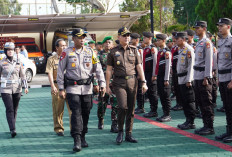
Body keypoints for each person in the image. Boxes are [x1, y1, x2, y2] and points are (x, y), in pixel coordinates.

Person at [57, 28, 106, 152]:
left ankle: (83, 135)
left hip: (87, 89)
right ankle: (77, 139)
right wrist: (61, 88)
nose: (82, 39)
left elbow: (98, 68)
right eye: (79, 37)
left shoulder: (90, 52)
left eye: (83, 37)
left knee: (86, 112)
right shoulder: (67, 52)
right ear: (73, 39)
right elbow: (60, 71)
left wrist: (102, 83)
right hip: (72, 88)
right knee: (76, 113)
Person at [106, 27, 148, 144]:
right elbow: (109, 70)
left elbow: (139, 67)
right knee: (122, 107)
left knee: (131, 108)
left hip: (132, 81)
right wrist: (107, 86)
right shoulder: (113, 51)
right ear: (119, 37)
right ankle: (120, 131)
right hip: (118, 82)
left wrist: (144, 82)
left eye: (128, 35)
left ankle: (128, 133)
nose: (127, 37)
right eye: (124, 35)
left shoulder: (134, 50)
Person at [0, 42, 29, 138]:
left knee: (15, 109)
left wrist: (26, 87)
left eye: (12, 50)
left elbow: (23, 75)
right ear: (5, 51)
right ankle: (12, 129)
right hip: (5, 89)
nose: (10, 52)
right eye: (8, 50)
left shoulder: (18, 62)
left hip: (17, 88)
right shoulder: (1, 62)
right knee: (10, 109)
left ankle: (12, 125)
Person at [46, 39, 72, 136]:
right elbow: (50, 73)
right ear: (57, 47)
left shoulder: (70, 57)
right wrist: (52, 86)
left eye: (65, 45)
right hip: (57, 86)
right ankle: (59, 128)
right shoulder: (51, 59)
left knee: (72, 109)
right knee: (58, 109)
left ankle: (74, 129)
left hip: (69, 86)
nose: (64, 47)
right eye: (62, 46)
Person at [193, 21, 214, 135]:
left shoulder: (207, 43)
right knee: (200, 102)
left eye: (198, 28)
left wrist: (207, 77)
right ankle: (205, 125)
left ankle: (210, 126)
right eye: (195, 28)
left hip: (203, 76)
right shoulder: (199, 43)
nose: (196, 30)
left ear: (204, 29)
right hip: (197, 75)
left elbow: (208, 61)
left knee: (206, 102)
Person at [215, 18, 232, 142]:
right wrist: (219, 78)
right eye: (218, 26)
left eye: (222, 26)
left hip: (230, 79)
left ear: (228, 27)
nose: (219, 28)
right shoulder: (220, 42)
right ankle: (228, 131)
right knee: (226, 106)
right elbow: (219, 62)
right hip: (223, 78)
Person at [96, 36, 118, 133]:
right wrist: (96, 83)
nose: (108, 44)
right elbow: (95, 70)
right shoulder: (99, 55)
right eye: (106, 42)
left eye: (109, 42)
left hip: (114, 82)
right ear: (103, 44)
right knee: (102, 103)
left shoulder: (116, 54)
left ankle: (114, 124)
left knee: (115, 103)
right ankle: (101, 119)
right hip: (103, 82)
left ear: (112, 44)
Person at [175, 32, 196, 130]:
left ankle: (191, 122)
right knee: (184, 101)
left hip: (186, 79)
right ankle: (187, 120)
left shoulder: (188, 49)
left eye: (177, 39)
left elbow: (191, 66)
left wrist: (189, 80)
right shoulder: (181, 49)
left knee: (189, 101)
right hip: (181, 79)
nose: (175, 41)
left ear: (183, 39)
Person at [140, 32, 159, 118]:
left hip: (151, 73)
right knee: (150, 92)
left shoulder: (152, 48)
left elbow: (155, 62)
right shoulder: (146, 48)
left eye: (145, 38)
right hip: (146, 73)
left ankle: (154, 110)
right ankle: (152, 109)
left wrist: (154, 74)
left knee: (152, 92)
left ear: (149, 38)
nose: (143, 39)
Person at [155, 34, 172, 122]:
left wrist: (166, 79)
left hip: (165, 77)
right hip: (160, 76)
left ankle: (168, 114)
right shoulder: (160, 51)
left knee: (166, 96)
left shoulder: (167, 52)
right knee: (161, 95)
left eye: (158, 40)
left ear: (163, 41)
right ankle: (164, 113)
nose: (157, 42)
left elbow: (168, 66)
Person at [131, 33, 146, 114]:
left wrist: (140, 74)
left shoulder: (139, 49)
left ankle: (141, 107)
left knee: (140, 90)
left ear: (136, 40)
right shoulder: (133, 48)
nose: (130, 40)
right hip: (134, 71)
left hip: (139, 72)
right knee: (136, 90)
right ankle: (139, 106)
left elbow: (141, 62)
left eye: (132, 39)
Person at [171, 32, 183, 111]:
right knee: (176, 88)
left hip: (179, 70)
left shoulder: (179, 48)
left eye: (175, 37)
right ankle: (178, 103)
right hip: (174, 70)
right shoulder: (174, 48)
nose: (173, 39)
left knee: (180, 88)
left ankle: (181, 104)